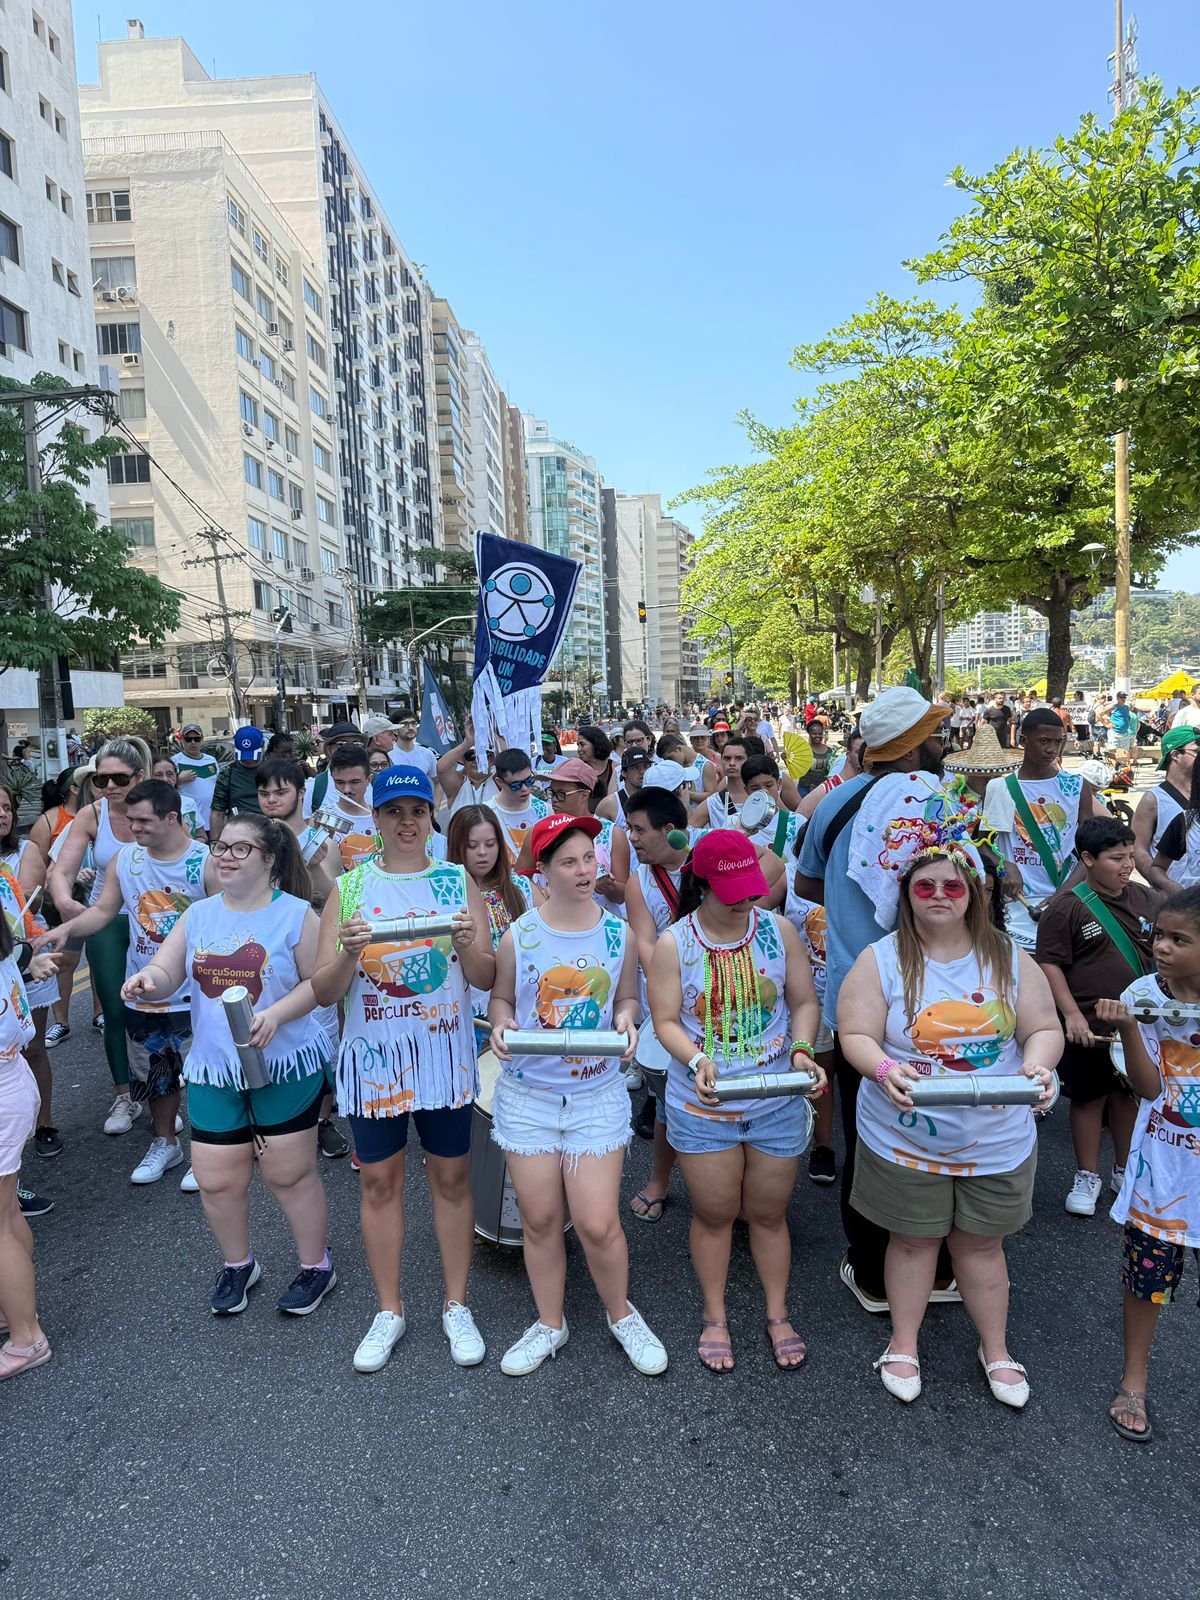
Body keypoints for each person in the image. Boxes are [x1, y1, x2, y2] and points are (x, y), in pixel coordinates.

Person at [839, 844, 1061, 1406]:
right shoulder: (881, 959)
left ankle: (997, 1349)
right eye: (925, 885)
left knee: (982, 1248)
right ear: (906, 894)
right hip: (905, 1136)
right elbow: (856, 1034)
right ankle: (904, 1342)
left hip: (997, 1138)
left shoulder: (1009, 958)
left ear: (975, 894)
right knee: (912, 1242)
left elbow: (1043, 1027)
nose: (939, 895)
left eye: (952, 885)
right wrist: (885, 1065)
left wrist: (1040, 1064)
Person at [313, 766, 495, 1372]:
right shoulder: (352, 886)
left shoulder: (455, 880)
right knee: (378, 1183)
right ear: (377, 818)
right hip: (375, 1060)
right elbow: (323, 989)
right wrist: (350, 950)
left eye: (418, 810)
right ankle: (388, 1309)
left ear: (431, 815)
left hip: (443, 1056)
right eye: (395, 812)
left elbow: (486, 976)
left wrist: (470, 943)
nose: (408, 822)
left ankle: (456, 1303)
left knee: (451, 1181)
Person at [121, 813, 335, 1317]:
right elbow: (169, 969)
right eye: (221, 846)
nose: (225, 856)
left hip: (284, 1063)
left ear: (269, 859)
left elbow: (320, 983)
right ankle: (239, 1265)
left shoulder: (297, 914)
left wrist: (277, 1015)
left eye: (241, 849)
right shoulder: (198, 915)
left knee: (287, 1174)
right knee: (216, 1177)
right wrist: (147, 980)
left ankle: (316, 1266)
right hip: (216, 1066)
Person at [488, 812, 668, 1378]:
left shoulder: (618, 933)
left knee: (596, 1222)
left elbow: (627, 1000)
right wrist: (498, 1028)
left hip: (595, 1095)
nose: (585, 869)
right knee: (539, 1220)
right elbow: (501, 1001)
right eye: (569, 861)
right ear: (542, 871)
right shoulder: (521, 933)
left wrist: (626, 1019)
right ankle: (550, 1323)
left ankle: (621, 1315)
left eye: (590, 856)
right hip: (528, 1097)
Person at [796, 687, 956, 1314]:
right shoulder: (941, 803)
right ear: (913, 744)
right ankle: (938, 1269)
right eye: (934, 733)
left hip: (857, 994)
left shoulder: (835, 802)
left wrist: (848, 900)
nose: (941, 742)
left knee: (870, 1131)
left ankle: (871, 1272)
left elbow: (806, 882)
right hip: (936, 999)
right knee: (939, 1126)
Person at [650, 830, 824, 1371]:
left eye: (750, 886)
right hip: (703, 1106)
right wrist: (698, 1059)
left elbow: (803, 1002)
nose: (746, 898)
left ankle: (777, 1314)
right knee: (715, 1213)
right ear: (701, 883)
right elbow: (665, 1021)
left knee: (769, 1215)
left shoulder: (779, 930)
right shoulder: (673, 943)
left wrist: (800, 1050)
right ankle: (715, 1316)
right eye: (732, 889)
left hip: (775, 1101)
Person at [40, 780, 218, 1187]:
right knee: (157, 1074)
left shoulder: (205, 861)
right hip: (145, 990)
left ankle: (206, 1151)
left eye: (142, 820)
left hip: (197, 992)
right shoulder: (126, 860)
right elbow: (103, 911)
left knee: (205, 1076)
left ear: (171, 818)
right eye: (129, 820)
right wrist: (64, 931)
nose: (133, 827)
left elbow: (226, 924)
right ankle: (166, 1143)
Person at [1097, 887, 1200, 1443]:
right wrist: (1130, 1026)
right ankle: (1133, 1381)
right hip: (1165, 1167)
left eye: (1179, 940)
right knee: (1148, 1281)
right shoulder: (1142, 994)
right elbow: (1147, 1086)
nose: (1161, 947)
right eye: (1158, 934)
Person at [1034, 816, 1156, 1217]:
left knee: (1128, 1096)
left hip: (1135, 1026)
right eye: (1115, 858)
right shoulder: (1066, 908)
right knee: (1088, 1099)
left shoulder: (1146, 900)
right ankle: (1087, 1175)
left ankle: (1125, 1170)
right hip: (1088, 1026)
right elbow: (1050, 964)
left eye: (1129, 857)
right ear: (1087, 858)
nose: (1126, 866)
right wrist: (1071, 1016)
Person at [46, 736, 154, 1133]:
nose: (109, 787)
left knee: (160, 1009)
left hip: (156, 920)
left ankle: (160, 1093)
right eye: (100, 780)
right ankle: (125, 1097)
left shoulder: (160, 807)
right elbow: (61, 869)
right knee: (114, 1009)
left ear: (137, 777)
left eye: (119, 779)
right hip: (106, 920)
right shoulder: (91, 815)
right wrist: (65, 901)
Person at [981, 707, 1099, 950]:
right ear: (1023, 741)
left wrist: (1062, 896)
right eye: (1044, 741)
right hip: (1017, 904)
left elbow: (1090, 852)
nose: (1052, 749)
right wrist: (1004, 865)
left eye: (1058, 742)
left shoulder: (1076, 786)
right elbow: (984, 844)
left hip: (1069, 899)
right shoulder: (1000, 787)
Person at [0, 916, 58, 1379]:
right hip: (13, 1079)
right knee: (5, 1214)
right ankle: (13, 1311)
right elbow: (21, 955)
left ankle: (26, 1337)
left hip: (3, 1091)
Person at [445, 803, 539, 1013]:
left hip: (517, 1005)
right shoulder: (444, 893)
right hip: (466, 1007)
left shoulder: (521, 887)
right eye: (472, 845)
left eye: (490, 844)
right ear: (456, 845)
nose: (482, 853)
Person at [28, 767, 87, 1049]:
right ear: (74, 788)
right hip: (62, 903)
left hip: (100, 897)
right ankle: (61, 1022)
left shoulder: (102, 814)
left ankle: (100, 1015)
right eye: (90, 780)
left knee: (100, 961)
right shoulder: (50, 820)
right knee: (64, 960)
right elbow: (37, 866)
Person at [1132, 725, 1199, 891]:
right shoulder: (1153, 799)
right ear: (1175, 754)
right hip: (1176, 902)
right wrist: (1164, 884)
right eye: (1197, 751)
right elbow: (1138, 848)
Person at [488, 748, 551, 861]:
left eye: (529, 781)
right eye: (516, 785)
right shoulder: (487, 813)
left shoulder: (544, 811)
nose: (525, 789)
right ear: (499, 782)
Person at [209, 725, 266, 836]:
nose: (249, 761)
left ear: (262, 748)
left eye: (252, 756)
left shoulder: (273, 770)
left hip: (267, 830)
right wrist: (215, 844)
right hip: (238, 831)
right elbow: (217, 812)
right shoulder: (227, 772)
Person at [171, 724, 220, 832]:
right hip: (190, 824)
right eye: (188, 739)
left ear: (202, 740)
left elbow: (219, 786)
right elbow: (164, 788)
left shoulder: (211, 760)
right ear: (182, 740)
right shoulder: (175, 761)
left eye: (196, 739)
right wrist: (178, 780)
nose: (193, 742)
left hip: (212, 822)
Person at [152, 757, 204, 839]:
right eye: (159, 775)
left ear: (176, 776)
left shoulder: (189, 803)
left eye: (169, 774)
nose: (165, 779)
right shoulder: (145, 805)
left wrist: (192, 847)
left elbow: (201, 836)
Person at [388, 712, 438, 787]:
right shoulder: (388, 755)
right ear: (395, 730)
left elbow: (439, 782)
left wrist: (435, 799)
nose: (411, 728)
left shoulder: (427, 754)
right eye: (405, 725)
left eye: (413, 723)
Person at [577, 726, 615, 805]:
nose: (579, 749)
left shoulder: (615, 768)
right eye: (578, 745)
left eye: (582, 744)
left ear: (596, 744)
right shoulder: (577, 770)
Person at [1108, 691, 1137, 757]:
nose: (1123, 699)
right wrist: (1106, 724)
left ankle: (1125, 764)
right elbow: (1100, 714)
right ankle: (1114, 765)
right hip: (1115, 732)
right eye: (1121, 697)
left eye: (1124, 697)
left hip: (1125, 733)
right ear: (1117, 698)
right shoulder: (1113, 707)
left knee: (1125, 751)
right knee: (1113, 750)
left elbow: (1127, 717)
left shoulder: (1126, 707)